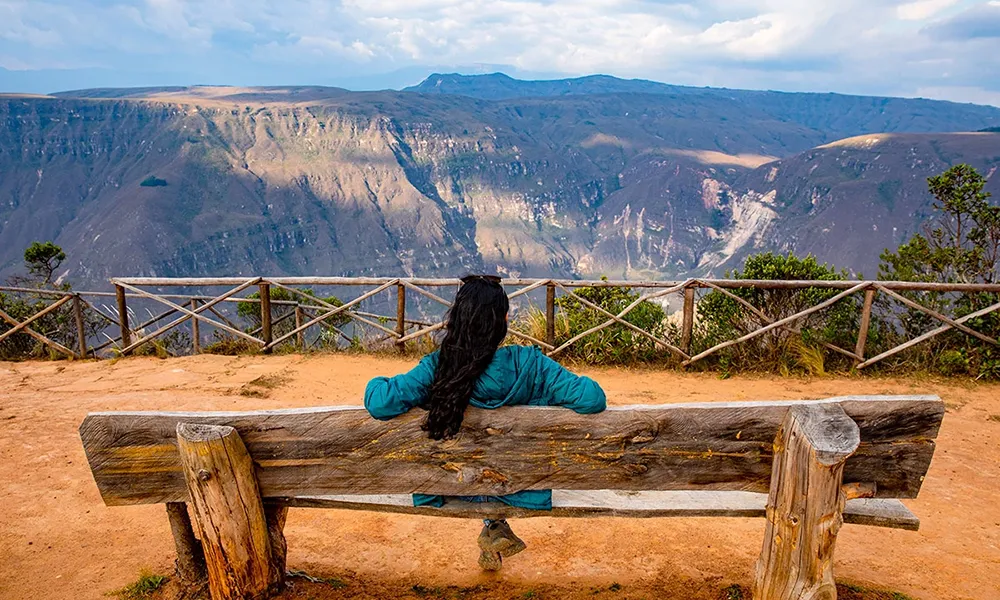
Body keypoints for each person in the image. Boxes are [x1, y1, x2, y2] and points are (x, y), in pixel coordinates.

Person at [364, 274, 606, 569]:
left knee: (473, 461)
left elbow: (379, 401)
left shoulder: (438, 367)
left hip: (451, 486)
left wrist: (379, 379)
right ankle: (494, 524)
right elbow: (593, 398)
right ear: (503, 320)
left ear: (457, 319)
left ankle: (493, 525)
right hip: (521, 487)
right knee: (497, 462)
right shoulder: (531, 366)